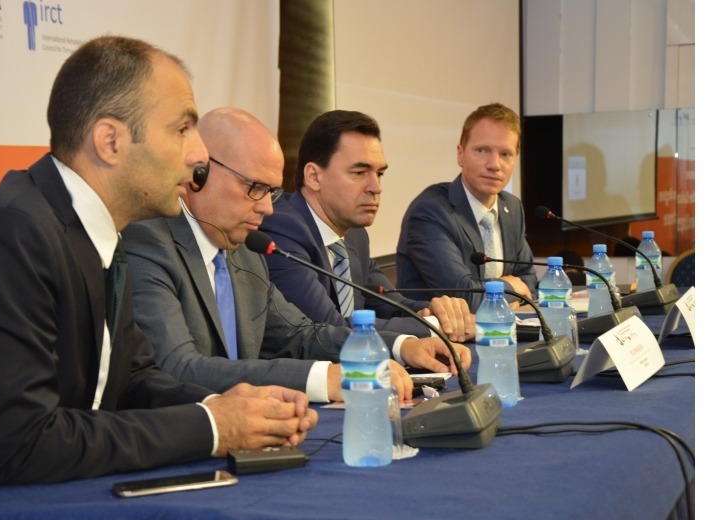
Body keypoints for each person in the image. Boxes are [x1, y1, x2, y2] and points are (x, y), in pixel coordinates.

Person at [0, 37, 316, 497]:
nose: (199, 155)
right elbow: (19, 443)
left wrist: (230, 406)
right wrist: (212, 427)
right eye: (182, 129)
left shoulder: (97, 231)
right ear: (110, 141)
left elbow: (133, 380)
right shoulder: (11, 232)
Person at [123, 107, 470, 404]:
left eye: (271, 192)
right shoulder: (149, 242)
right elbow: (178, 367)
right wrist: (323, 378)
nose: (267, 208)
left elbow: (300, 335)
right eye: (255, 188)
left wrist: (401, 346)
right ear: (199, 172)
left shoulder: (243, 250)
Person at [259, 110, 474, 343]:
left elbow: (390, 304)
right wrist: (434, 327)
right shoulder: (282, 229)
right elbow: (329, 326)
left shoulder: (355, 235)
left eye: (379, 173)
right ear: (314, 176)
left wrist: (437, 312)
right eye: (359, 173)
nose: (376, 187)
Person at [396, 102, 537, 311]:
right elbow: (462, 297)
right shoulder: (430, 212)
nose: (494, 164)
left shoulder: (512, 207)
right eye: (482, 150)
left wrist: (510, 294)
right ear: (460, 154)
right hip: (436, 330)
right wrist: (509, 287)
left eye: (505, 154)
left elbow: (529, 280)